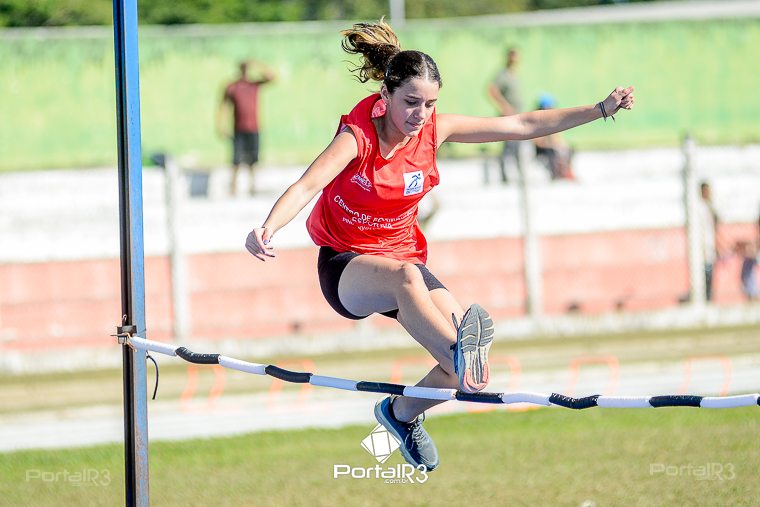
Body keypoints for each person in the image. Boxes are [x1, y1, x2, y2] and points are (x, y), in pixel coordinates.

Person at [245, 20, 634, 472]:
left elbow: (522, 123)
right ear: (386, 95)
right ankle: (457, 353)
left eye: (430, 104)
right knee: (419, 293)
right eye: (411, 103)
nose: (421, 114)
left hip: (401, 256)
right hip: (347, 266)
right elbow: (306, 184)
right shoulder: (358, 138)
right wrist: (267, 227)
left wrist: (600, 109)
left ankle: (400, 414)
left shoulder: (436, 130)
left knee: (462, 373)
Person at [217, 59, 276, 196]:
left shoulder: (253, 84)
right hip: (239, 129)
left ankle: (253, 186)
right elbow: (223, 106)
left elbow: (272, 77)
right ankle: (233, 187)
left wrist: (256, 64)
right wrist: (221, 125)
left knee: (253, 159)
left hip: (253, 127)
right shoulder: (232, 87)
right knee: (236, 159)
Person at [487, 47, 524, 184]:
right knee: (509, 147)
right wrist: (505, 106)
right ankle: (504, 174)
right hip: (510, 117)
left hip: (517, 116)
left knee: (516, 146)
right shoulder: (502, 75)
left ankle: (517, 174)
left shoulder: (513, 74)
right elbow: (491, 90)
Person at [532, 93, 575, 180]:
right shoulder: (536, 120)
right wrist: (552, 145)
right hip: (542, 149)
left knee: (568, 149)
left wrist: (561, 145)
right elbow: (538, 142)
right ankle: (556, 175)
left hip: (550, 146)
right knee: (552, 152)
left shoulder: (551, 120)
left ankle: (565, 171)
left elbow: (556, 138)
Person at [698, 182, 721, 301]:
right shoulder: (698, 207)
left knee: (710, 268)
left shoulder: (710, 206)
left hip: (710, 242)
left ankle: (709, 294)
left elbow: (716, 222)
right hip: (701, 244)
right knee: (703, 268)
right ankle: (704, 295)